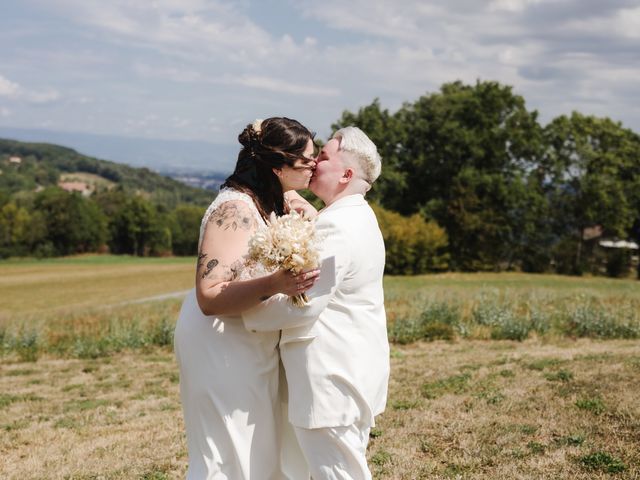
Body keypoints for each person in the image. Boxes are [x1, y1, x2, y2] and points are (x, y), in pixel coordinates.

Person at [174, 117, 321, 479]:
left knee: (255, 452)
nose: (315, 167)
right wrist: (275, 283)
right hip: (219, 340)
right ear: (277, 166)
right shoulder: (234, 210)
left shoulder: (264, 198)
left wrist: (298, 205)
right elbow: (210, 295)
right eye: (307, 162)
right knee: (227, 452)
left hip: (249, 338)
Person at [243, 126, 390, 479]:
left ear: (346, 175)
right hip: (346, 372)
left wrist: (248, 312)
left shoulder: (337, 227)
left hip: (330, 378)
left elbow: (306, 303)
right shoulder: (357, 218)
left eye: (323, 156)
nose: (312, 161)